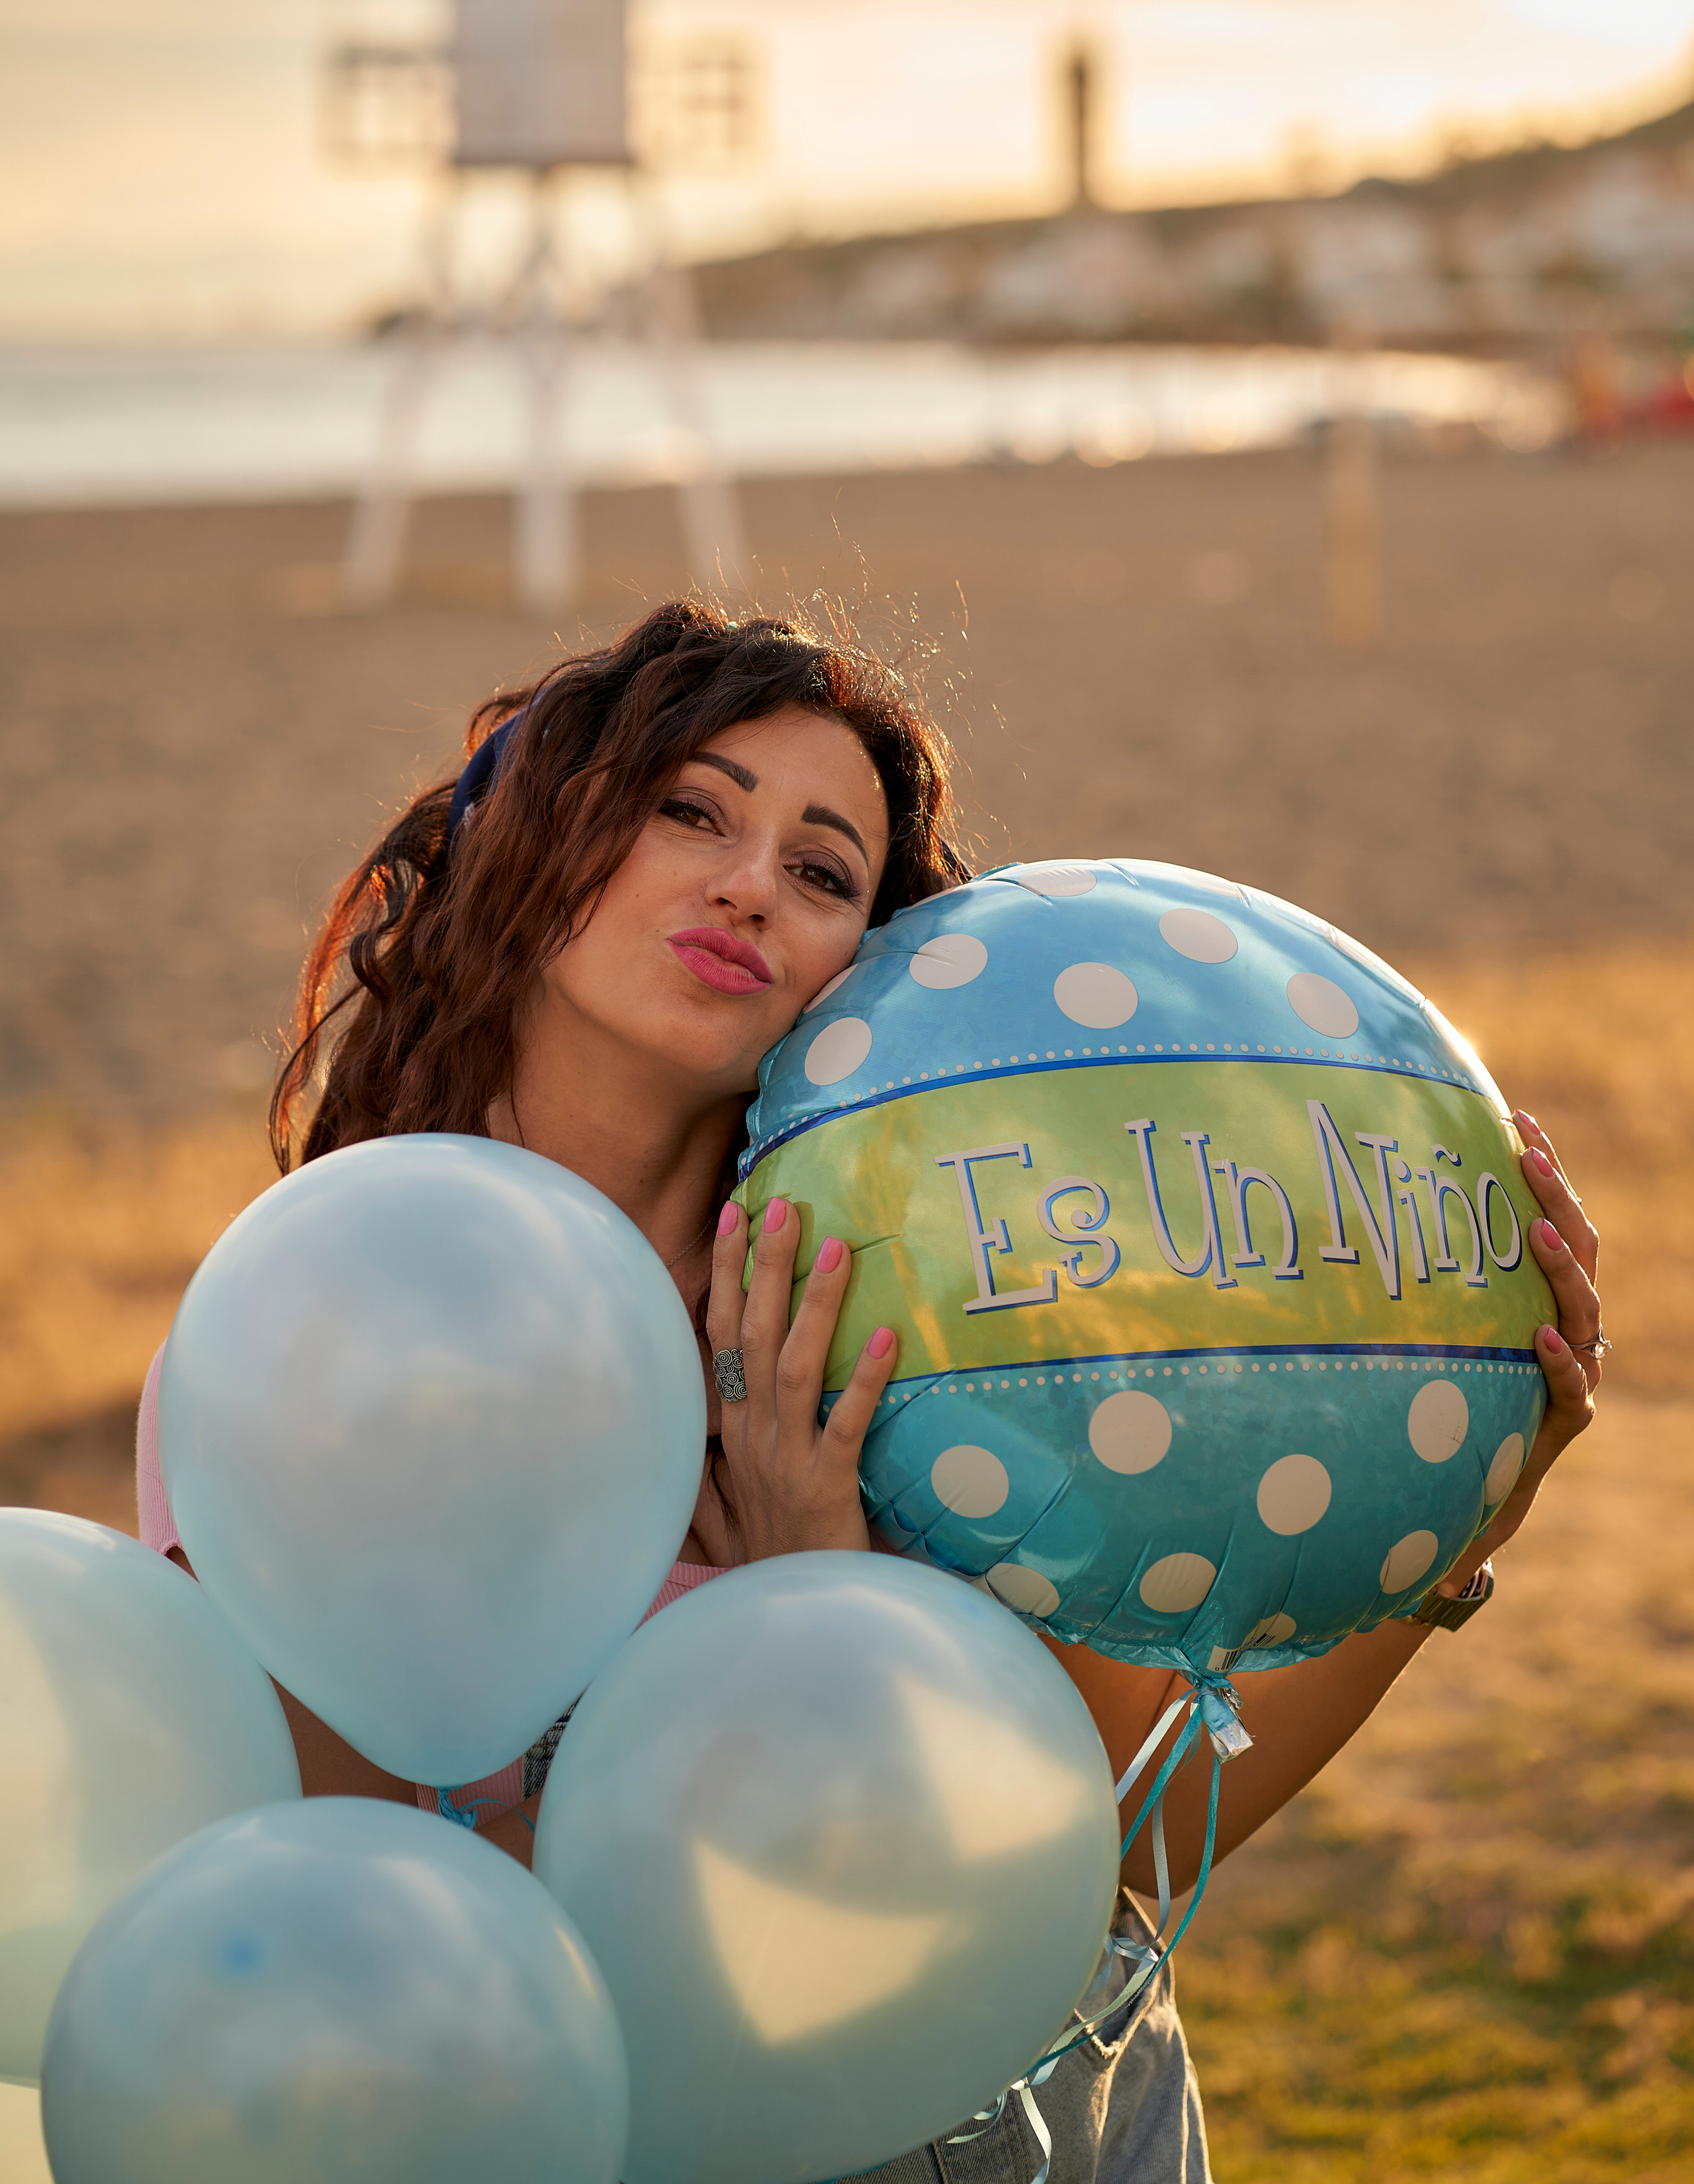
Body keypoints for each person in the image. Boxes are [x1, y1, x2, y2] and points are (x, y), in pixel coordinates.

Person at [136, 596, 1605, 2184]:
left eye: (824, 869)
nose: (751, 882)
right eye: (688, 809)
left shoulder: (931, 1313)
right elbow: (387, 1932)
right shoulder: (317, 1332)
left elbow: (1105, 1862)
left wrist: (1454, 1508)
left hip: (1059, 2132)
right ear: (530, 842)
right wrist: (809, 1620)